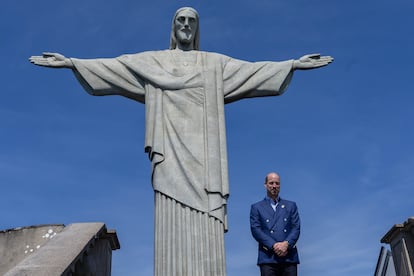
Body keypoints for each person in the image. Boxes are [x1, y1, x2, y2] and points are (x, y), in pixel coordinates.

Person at [30, 7, 331, 275]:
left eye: (191, 21)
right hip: (170, 154)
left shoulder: (214, 64)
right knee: (171, 221)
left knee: (206, 220)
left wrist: (291, 64)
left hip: (205, 157)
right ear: (173, 28)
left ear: (197, 29)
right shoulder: (154, 62)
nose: (186, 24)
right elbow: (116, 67)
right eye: (180, 20)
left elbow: (252, 71)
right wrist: (72, 63)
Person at [250, 172, 301, 276]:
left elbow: (296, 227)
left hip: (288, 257)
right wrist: (274, 245)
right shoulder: (257, 207)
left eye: (277, 183)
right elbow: (256, 230)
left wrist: (286, 244)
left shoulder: (291, 206)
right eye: (271, 183)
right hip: (268, 257)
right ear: (265, 185)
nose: (274, 186)